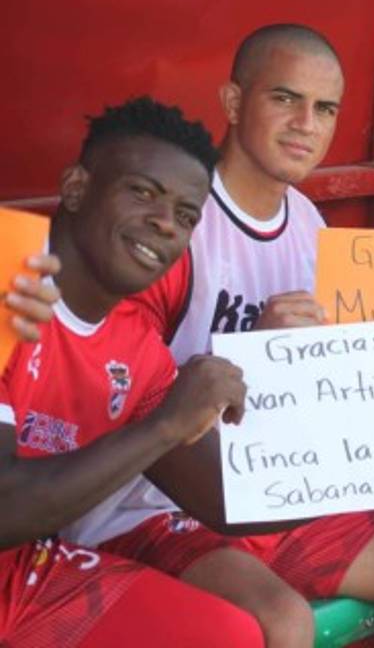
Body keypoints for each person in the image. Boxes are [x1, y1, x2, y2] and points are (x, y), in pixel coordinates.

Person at [86, 27, 374, 648]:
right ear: (234, 102)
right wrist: (255, 356)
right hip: (151, 503)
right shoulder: (176, 220)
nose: (306, 125)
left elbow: (341, 393)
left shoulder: (311, 228)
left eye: (325, 109)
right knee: (278, 623)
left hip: (280, 486)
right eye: (285, 99)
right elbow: (118, 391)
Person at [1, 99, 267, 647]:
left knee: (229, 635)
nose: (166, 223)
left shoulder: (138, 349)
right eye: (143, 193)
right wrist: (165, 425)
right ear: (76, 188)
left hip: (23, 573)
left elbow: (231, 501)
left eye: (186, 215)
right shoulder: (9, 287)